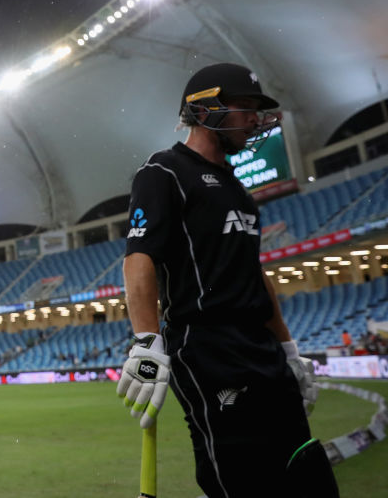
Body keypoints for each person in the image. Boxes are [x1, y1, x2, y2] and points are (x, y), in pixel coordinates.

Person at [116, 62, 339, 497]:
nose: (255, 118)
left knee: (304, 473)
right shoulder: (163, 172)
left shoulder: (239, 191)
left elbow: (254, 274)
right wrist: (145, 340)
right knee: (243, 479)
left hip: (263, 350)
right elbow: (138, 258)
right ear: (204, 109)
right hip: (208, 348)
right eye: (245, 107)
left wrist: (288, 348)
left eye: (258, 109)